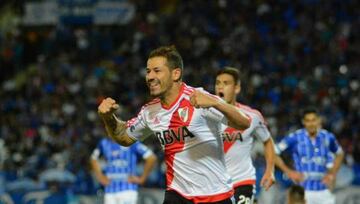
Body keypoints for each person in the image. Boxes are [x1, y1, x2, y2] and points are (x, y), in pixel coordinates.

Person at [98, 45, 251, 204]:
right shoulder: (150, 111)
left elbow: (244, 122)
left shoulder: (199, 98)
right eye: (148, 71)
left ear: (176, 73)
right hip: (177, 195)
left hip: (216, 195)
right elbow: (124, 137)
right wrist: (108, 117)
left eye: (157, 71)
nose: (150, 77)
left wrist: (216, 103)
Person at [215, 67, 275, 204]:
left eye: (226, 83)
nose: (220, 87)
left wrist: (270, 170)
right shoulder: (205, 116)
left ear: (237, 88)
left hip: (242, 181)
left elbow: (267, 141)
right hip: (214, 184)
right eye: (218, 83)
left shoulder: (252, 116)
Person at [275, 107, 344, 204]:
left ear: (319, 120)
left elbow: (340, 153)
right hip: (303, 191)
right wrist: (288, 171)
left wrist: (332, 173)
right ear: (303, 122)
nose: (311, 124)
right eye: (308, 121)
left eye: (313, 120)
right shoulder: (295, 137)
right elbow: (273, 152)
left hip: (323, 191)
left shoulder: (328, 137)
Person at [90, 138, 157, 204]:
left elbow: (151, 157)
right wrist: (100, 177)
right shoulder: (103, 143)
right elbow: (93, 159)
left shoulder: (131, 142)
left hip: (127, 190)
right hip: (110, 190)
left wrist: (142, 179)